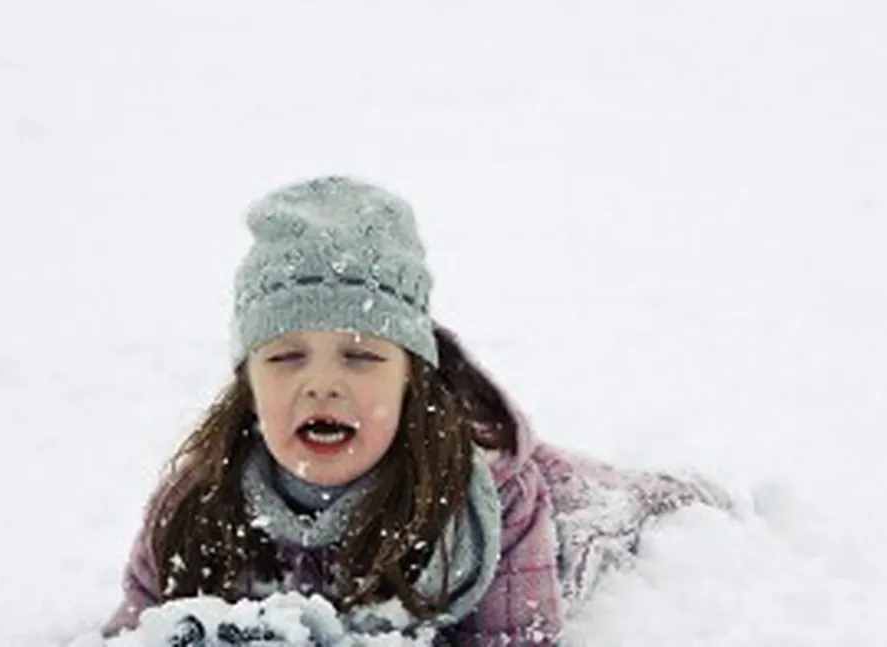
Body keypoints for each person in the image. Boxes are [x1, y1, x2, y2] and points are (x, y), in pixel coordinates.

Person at [103, 176, 737, 645]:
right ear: (246, 384)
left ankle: (699, 494)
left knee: (644, 502)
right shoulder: (195, 502)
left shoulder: (492, 506)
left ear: (412, 379)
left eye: (360, 358)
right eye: (286, 357)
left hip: (568, 516)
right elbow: (130, 634)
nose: (321, 386)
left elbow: (516, 640)